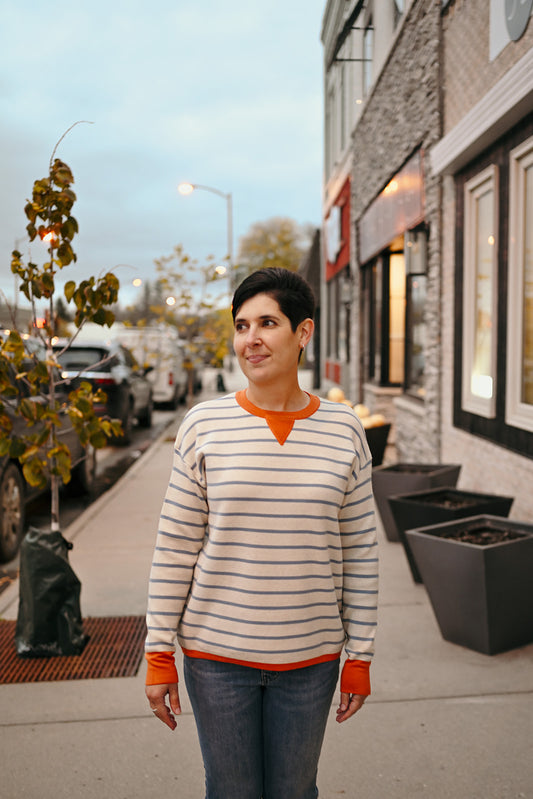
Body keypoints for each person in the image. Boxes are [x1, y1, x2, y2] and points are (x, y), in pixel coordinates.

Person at [145, 267, 378, 799]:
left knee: (296, 791)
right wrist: (159, 655)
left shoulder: (345, 431)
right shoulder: (204, 426)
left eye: (267, 322)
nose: (250, 339)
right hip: (216, 660)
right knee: (231, 791)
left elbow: (361, 552)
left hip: (311, 662)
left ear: (303, 332)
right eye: (242, 324)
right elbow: (175, 549)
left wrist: (359, 656)